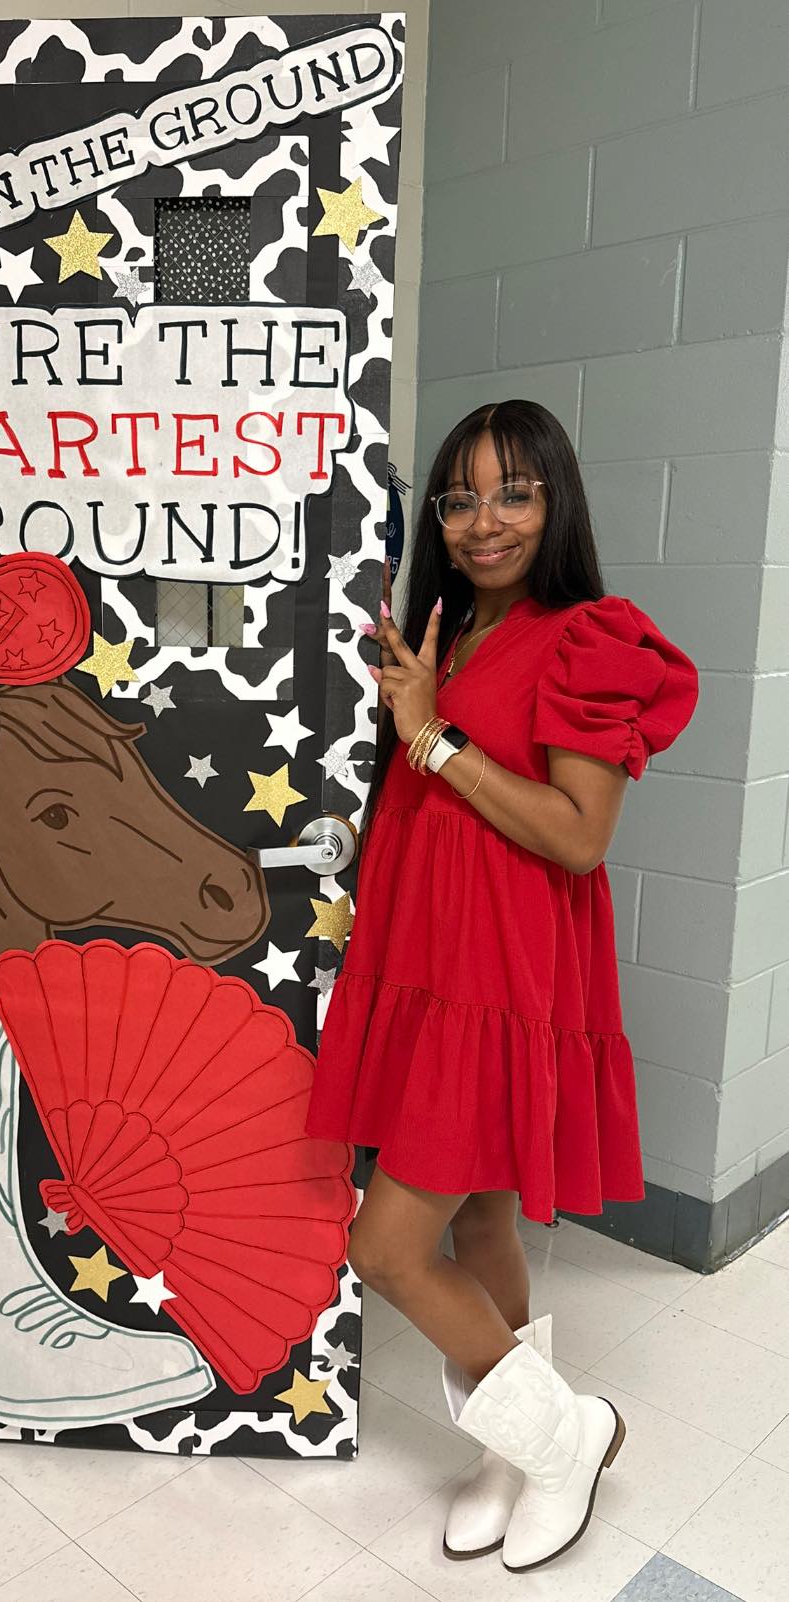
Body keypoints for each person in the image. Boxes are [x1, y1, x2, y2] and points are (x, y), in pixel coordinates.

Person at [305, 399, 699, 1573]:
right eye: (460, 497)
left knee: (384, 1249)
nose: (484, 521)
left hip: (499, 980)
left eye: (514, 493)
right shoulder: (452, 632)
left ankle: (566, 1439)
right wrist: (414, 714)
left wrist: (433, 738)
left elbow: (579, 835)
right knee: (476, 1217)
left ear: (556, 500)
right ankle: (513, 1450)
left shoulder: (587, 638)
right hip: (427, 970)